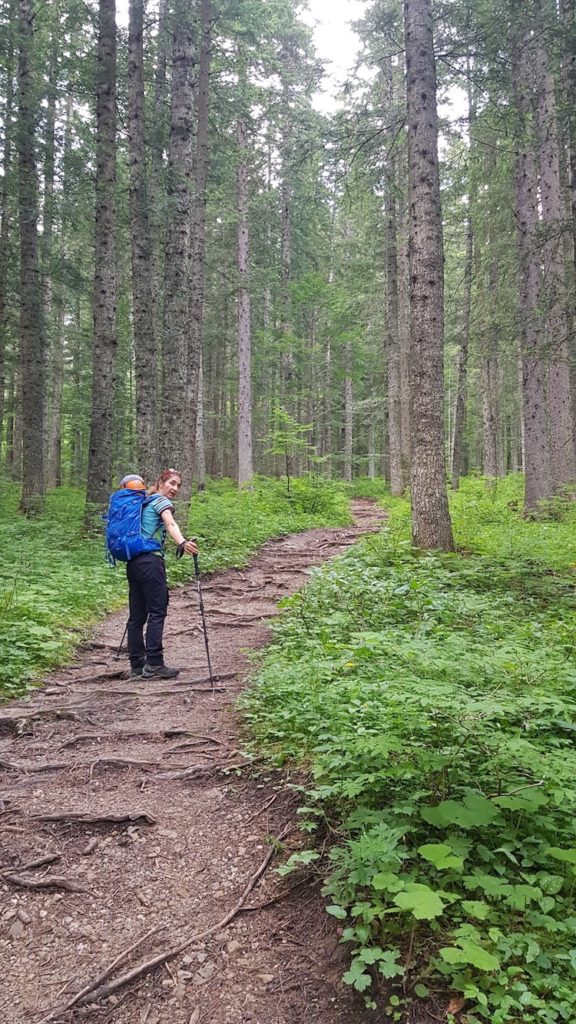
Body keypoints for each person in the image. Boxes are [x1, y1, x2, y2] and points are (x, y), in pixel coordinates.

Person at [120, 469, 198, 679]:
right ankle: (154, 663)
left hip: (133, 562)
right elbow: (170, 523)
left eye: (178, 485)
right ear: (161, 482)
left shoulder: (142, 503)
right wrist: (182, 542)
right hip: (151, 561)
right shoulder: (159, 502)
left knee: (137, 615)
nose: (175, 489)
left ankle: (137, 664)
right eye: (172, 483)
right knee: (157, 611)